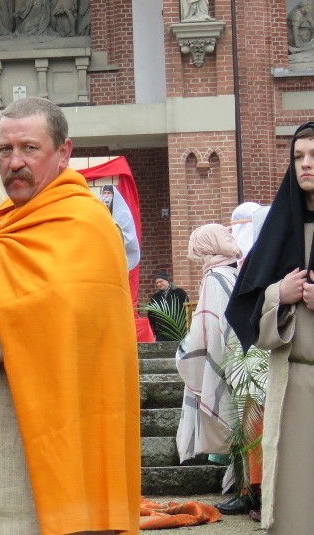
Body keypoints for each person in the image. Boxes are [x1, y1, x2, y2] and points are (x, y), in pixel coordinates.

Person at [0, 97, 140, 533]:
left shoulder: (87, 224)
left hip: (56, 418)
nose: (14, 162)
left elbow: (58, 309)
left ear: (64, 152)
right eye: (4, 150)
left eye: (29, 148)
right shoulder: (2, 223)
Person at [226, 121, 314, 533]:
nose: (306, 165)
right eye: (298, 157)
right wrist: (281, 291)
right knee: (295, 502)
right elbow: (248, 306)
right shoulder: (281, 233)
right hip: (292, 382)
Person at [176, 224, 240, 466]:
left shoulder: (215, 278)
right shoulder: (233, 273)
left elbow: (208, 329)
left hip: (222, 355)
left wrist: (186, 350)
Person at [148, 269, 189, 341]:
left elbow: (187, 311)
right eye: (157, 283)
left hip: (178, 331)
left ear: (167, 280)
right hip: (161, 333)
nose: (159, 284)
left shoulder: (180, 293)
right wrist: (154, 331)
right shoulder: (155, 298)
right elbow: (151, 316)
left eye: (160, 282)